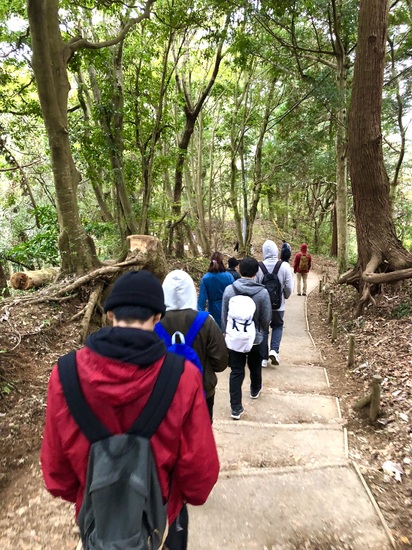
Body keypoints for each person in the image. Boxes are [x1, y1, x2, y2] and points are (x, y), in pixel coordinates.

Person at [40, 270, 219, 550]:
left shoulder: (65, 374)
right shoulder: (183, 376)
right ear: (157, 317)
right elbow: (200, 475)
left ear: (110, 314)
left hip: (97, 523)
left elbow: (56, 476)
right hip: (158, 521)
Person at [158, 269, 228, 421]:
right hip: (201, 392)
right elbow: (221, 363)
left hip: (163, 393)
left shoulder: (154, 322)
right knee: (200, 433)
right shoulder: (206, 321)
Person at [221, 257, 272, 420]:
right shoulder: (262, 293)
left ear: (239, 270)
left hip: (235, 337)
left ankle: (235, 408)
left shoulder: (229, 290)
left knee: (236, 371)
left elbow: (224, 315)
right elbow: (266, 318)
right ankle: (255, 389)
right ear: (256, 273)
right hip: (255, 338)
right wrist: (261, 331)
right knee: (255, 365)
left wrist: (226, 332)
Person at [256, 240, 293, 367]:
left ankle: (263, 358)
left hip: (263, 305)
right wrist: (285, 296)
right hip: (279, 305)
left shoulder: (259, 267)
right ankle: (274, 350)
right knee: (277, 326)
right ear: (276, 251)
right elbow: (289, 287)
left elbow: (255, 286)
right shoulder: (284, 266)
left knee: (263, 329)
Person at [198, 251, 234, 329]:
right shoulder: (228, 276)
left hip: (213, 308)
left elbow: (202, 300)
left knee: (215, 330)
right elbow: (234, 293)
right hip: (227, 308)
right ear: (222, 262)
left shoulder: (206, 278)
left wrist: (200, 319)